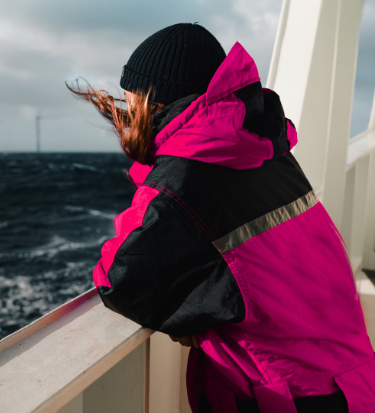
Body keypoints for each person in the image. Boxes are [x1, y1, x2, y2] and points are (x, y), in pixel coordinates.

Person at [74, 23, 375, 413]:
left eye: (131, 104)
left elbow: (120, 279)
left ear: (153, 105)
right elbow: (250, 266)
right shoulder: (264, 150)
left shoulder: (180, 182)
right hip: (350, 379)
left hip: (288, 397)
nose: (127, 115)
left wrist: (192, 316)